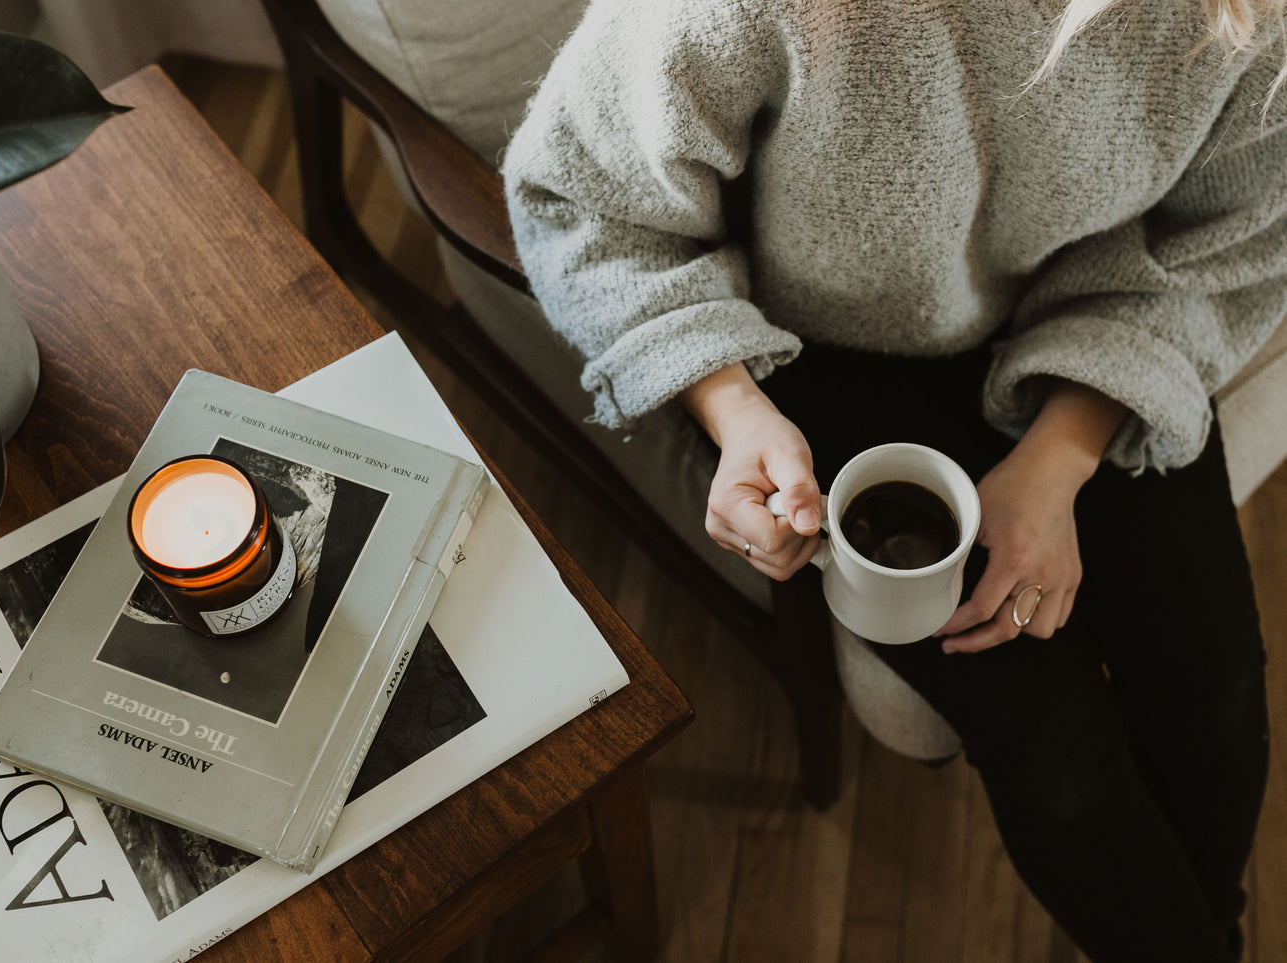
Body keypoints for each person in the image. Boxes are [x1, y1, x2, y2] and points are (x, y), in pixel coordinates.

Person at [501, 0, 1286, 960]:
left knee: (1216, 688)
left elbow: (1237, 237)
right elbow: (584, 196)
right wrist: (732, 407)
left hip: (1110, 315)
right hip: (822, 346)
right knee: (1054, 752)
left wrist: (1060, 454)